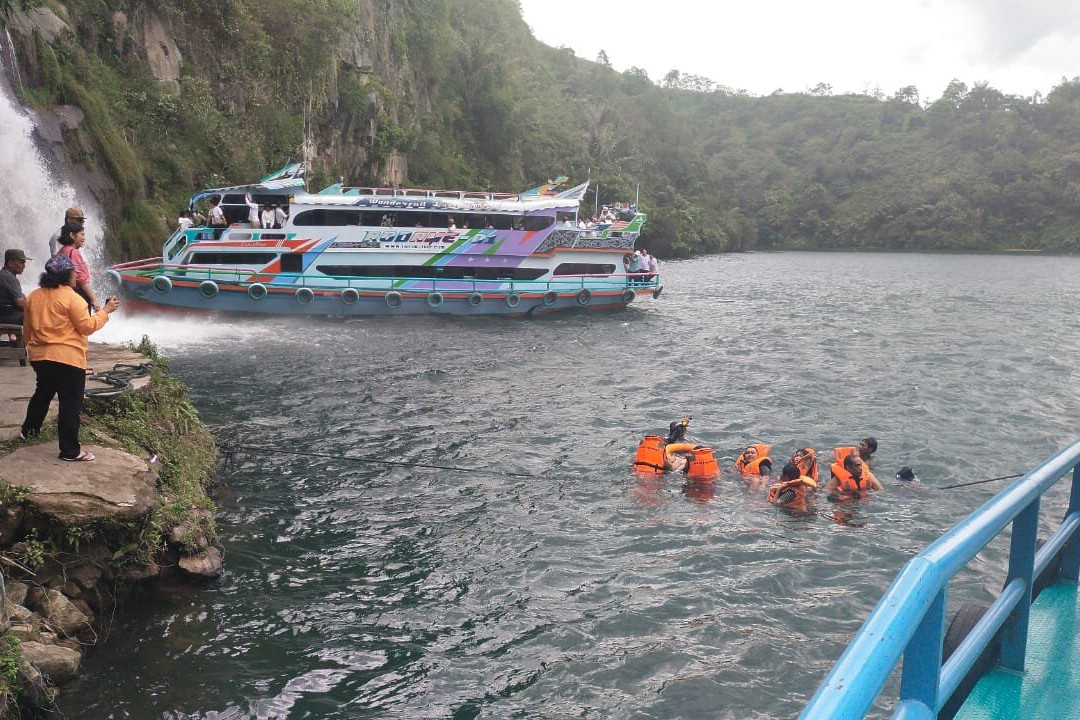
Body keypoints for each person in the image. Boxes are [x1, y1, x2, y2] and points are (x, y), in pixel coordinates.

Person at [20, 254, 119, 461]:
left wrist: (32, 351)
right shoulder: (73, 299)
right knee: (70, 404)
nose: (77, 276)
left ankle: (28, 431)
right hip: (68, 359)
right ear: (66, 275)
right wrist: (106, 311)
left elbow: (27, 329)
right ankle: (70, 451)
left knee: (42, 394)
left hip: (40, 357)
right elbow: (87, 327)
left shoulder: (33, 296)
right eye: (74, 272)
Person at [56, 224, 100, 313]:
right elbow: (81, 279)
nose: (84, 238)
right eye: (82, 234)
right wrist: (93, 299)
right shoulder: (73, 252)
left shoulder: (61, 251)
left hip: (63, 294)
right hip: (78, 295)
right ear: (72, 235)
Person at [0, 249, 29, 324]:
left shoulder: (3, 275)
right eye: (21, 263)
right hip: (8, 316)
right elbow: (21, 304)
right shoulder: (8, 277)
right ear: (10, 263)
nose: (24, 266)